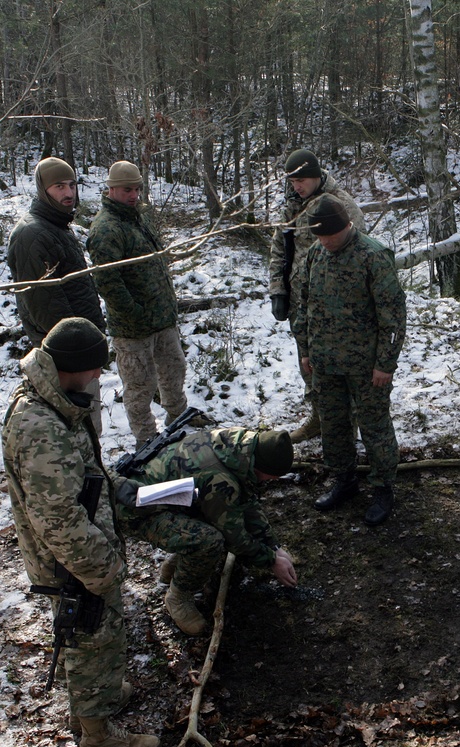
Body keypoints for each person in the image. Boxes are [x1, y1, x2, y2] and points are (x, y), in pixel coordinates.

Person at [2, 318, 160, 747]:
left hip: (72, 554)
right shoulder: (41, 427)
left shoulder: (51, 402)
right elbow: (59, 520)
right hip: (73, 561)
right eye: (93, 368)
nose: (97, 377)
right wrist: (103, 570)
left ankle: (92, 701)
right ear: (73, 367)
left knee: (85, 636)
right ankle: (97, 738)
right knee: (94, 637)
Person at [115, 427, 298, 636]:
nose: (271, 481)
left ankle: (175, 567)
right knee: (210, 541)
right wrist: (270, 560)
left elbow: (247, 501)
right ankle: (178, 597)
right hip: (135, 510)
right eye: (271, 477)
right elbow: (234, 538)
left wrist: (273, 546)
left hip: (170, 499)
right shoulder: (221, 479)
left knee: (215, 520)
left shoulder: (236, 446)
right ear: (261, 467)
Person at [292, 195, 406, 526]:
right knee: (333, 424)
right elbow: (305, 306)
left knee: (374, 426)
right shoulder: (316, 254)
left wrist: (385, 363)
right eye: (320, 237)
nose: (325, 242)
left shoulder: (374, 256)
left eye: (330, 236)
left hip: (366, 366)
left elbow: (393, 318)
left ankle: (383, 487)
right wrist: (305, 349)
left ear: (346, 227)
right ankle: (344, 479)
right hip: (326, 363)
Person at [87, 160, 196, 445]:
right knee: (139, 386)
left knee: (174, 372)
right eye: (127, 190)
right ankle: (146, 440)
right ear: (111, 189)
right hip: (133, 329)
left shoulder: (139, 217)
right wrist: (136, 314)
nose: (133, 194)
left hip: (162, 319)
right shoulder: (105, 229)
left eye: (137, 188)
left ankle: (178, 422)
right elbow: (108, 283)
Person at [268, 149, 366, 443]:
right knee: (308, 363)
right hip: (301, 304)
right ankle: (318, 417)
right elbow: (278, 251)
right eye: (293, 180)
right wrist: (278, 290)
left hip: (334, 306)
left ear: (317, 175)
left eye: (303, 179)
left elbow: (358, 254)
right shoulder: (292, 208)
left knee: (338, 368)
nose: (297, 185)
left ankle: (346, 426)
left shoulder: (339, 205)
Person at [7, 157, 107, 432]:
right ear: (43, 190)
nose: (68, 193)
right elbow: (44, 307)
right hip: (64, 360)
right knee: (76, 431)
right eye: (59, 186)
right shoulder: (33, 233)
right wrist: (77, 353)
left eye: (72, 185)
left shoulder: (56, 226)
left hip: (78, 351)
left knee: (88, 430)